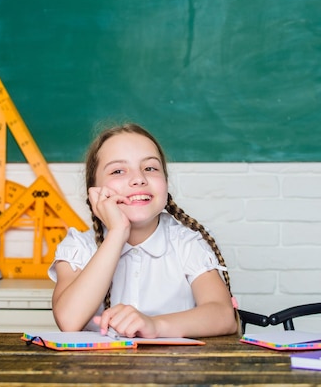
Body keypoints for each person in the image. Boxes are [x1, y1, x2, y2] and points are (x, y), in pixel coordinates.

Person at [49, 123, 238, 338]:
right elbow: (69, 320)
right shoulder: (79, 247)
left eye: (150, 168)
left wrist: (154, 325)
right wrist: (118, 232)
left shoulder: (187, 242)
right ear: (94, 191)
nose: (139, 178)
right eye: (118, 171)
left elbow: (223, 316)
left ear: (165, 182)